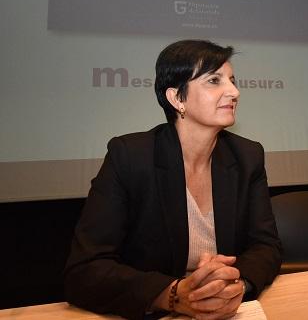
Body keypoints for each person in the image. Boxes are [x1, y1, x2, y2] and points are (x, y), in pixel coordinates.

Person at [64, 40, 282, 320]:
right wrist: (174, 294)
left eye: (232, 80)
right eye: (214, 81)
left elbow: (266, 247)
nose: (234, 92)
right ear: (177, 99)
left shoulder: (247, 155)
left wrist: (235, 284)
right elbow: (85, 270)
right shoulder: (130, 156)